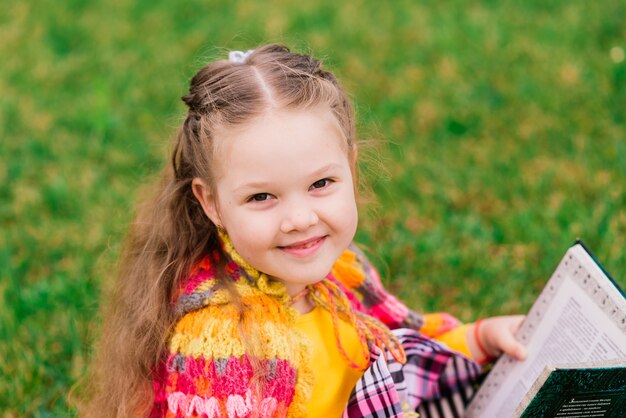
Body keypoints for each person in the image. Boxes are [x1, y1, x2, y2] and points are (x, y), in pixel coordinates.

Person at [83, 44, 526, 418]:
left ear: (350, 169)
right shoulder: (222, 342)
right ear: (211, 202)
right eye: (262, 197)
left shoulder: (340, 274)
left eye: (320, 184)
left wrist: (482, 337)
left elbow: (401, 353)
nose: (299, 219)